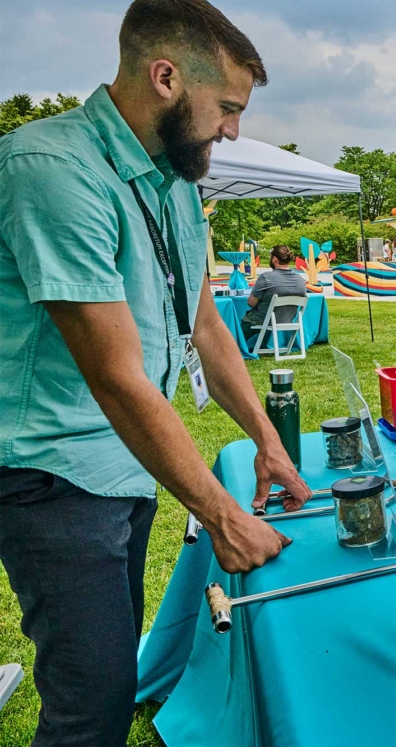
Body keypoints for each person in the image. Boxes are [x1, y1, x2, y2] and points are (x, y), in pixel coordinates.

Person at [0, 2, 311, 744]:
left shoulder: (174, 180)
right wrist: (222, 514)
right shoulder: (51, 166)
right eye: (227, 108)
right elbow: (115, 376)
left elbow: (205, 326)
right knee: (92, 706)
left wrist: (265, 437)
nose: (232, 130)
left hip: (128, 472)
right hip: (54, 480)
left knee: (104, 682)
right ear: (165, 77)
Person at [240, 244, 308, 341]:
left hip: (264, 320)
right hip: (288, 320)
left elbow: (251, 303)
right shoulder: (300, 280)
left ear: (275, 259)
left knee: (246, 321)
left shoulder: (266, 277)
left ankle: (236, 346)